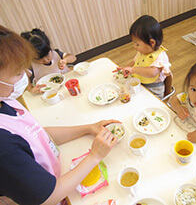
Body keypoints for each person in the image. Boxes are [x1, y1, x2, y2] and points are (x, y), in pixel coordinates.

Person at [0, 25, 119, 205]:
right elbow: (47, 196)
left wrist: (88, 128)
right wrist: (95, 156)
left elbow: (36, 134)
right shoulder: (3, 146)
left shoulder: (5, 99)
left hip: (58, 175)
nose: (25, 75)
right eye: (17, 72)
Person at [113, 15, 171, 99]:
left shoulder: (160, 56)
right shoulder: (143, 51)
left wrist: (133, 70)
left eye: (137, 44)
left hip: (154, 90)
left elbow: (152, 72)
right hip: (141, 84)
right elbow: (135, 62)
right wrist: (126, 68)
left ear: (152, 43)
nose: (134, 46)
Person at [21, 28, 77, 93]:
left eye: (47, 55)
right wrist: (30, 89)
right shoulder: (31, 65)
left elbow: (73, 57)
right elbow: (25, 77)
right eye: (39, 59)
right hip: (48, 92)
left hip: (68, 84)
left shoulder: (56, 53)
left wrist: (65, 60)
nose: (45, 60)